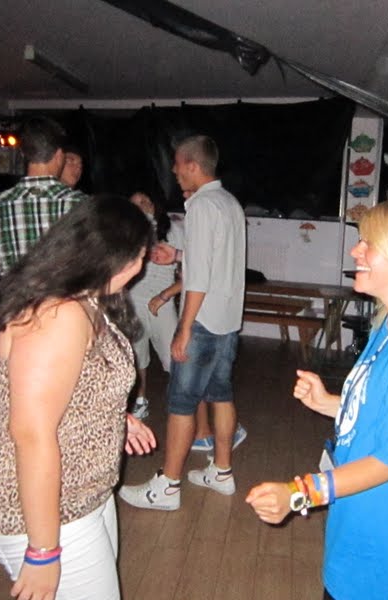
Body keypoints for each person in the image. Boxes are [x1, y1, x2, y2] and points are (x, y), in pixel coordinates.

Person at [246, 198, 388, 600]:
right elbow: (383, 415)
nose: (355, 251)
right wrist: (331, 403)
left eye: (369, 244)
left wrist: (298, 494)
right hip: (361, 523)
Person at [0, 195, 157, 600]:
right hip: (40, 510)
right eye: (140, 256)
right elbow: (31, 434)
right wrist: (43, 552)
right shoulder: (58, 315)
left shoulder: (86, 300)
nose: (140, 267)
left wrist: (113, 417)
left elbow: (73, 387)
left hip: (84, 494)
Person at [119, 135, 246, 511]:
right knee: (220, 395)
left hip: (203, 321)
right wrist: (177, 254)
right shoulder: (229, 202)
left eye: (177, 165)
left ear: (192, 165)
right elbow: (215, 258)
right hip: (228, 319)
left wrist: (185, 328)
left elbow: (200, 277)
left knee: (181, 403)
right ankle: (221, 472)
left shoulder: (202, 205)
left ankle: (168, 485)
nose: (174, 172)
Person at [0, 116, 86, 276]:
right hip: (62, 291)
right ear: (59, 155)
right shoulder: (81, 204)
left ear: (22, 154)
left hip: (16, 292)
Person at [127, 191, 184, 419]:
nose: (140, 207)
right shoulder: (128, 232)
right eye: (134, 204)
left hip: (163, 303)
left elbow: (191, 273)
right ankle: (140, 401)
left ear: (154, 204)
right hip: (133, 303)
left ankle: (182, 403)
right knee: (136, 357)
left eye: (144, 201)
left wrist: (165, 295)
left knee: (175, 359)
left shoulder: (173, 230)